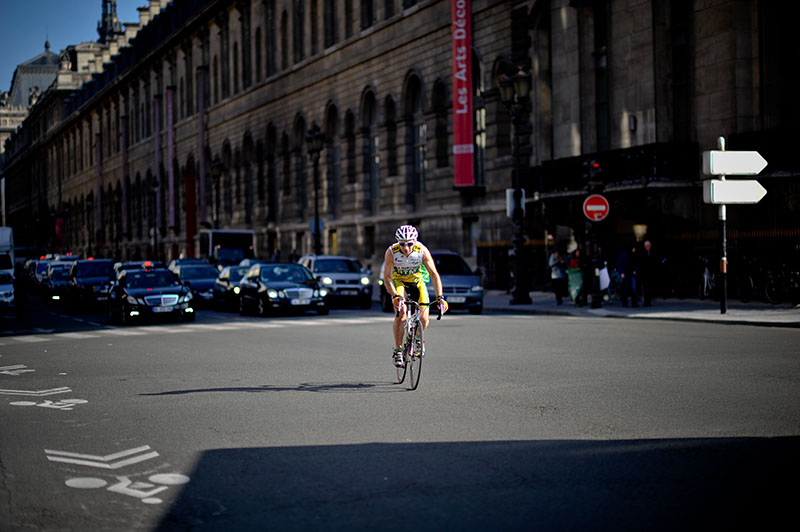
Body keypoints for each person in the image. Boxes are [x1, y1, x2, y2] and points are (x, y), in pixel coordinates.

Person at [383, 225, 449, 367]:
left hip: (418, 282)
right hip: (400, 283)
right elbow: (387, 278)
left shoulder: (422, 250)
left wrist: (440, 297)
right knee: (401, 314)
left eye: (409, 244)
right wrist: (394, 296)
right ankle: (398, 351)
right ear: (397, 242)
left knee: (424, 316)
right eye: (402, 244)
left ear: (415, 241)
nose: (406, 248)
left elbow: (434, 274)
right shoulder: (391, 252)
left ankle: (418, 339)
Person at [639, 239, 657, 306]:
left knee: (650, 288)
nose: (648, 247)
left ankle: (648, 301)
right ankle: (646, 302)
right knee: (645, 289)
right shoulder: (642, 253)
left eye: (649, 246)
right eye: (646, 246)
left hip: (651, 274)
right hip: (644, 274)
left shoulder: (652, 253)